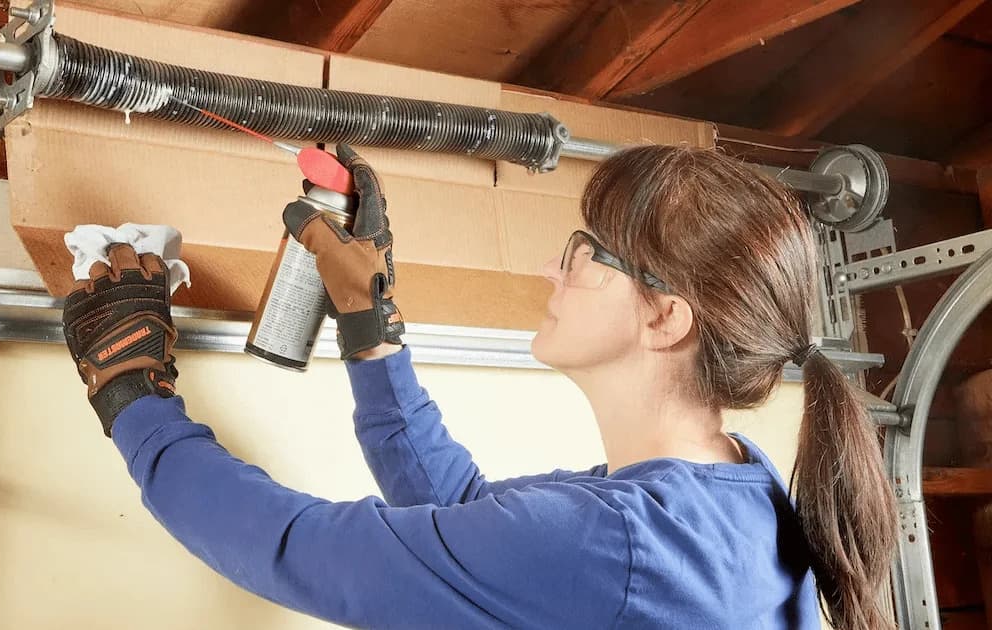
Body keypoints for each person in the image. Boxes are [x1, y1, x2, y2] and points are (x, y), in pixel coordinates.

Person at [61, 144, 897, 629]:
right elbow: (466, 515)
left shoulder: (619, 543)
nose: (550, 268)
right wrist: (370, 330)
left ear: (666, 320)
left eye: (582, 252)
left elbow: (298, 548)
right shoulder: (730, 495)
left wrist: (133, 398)